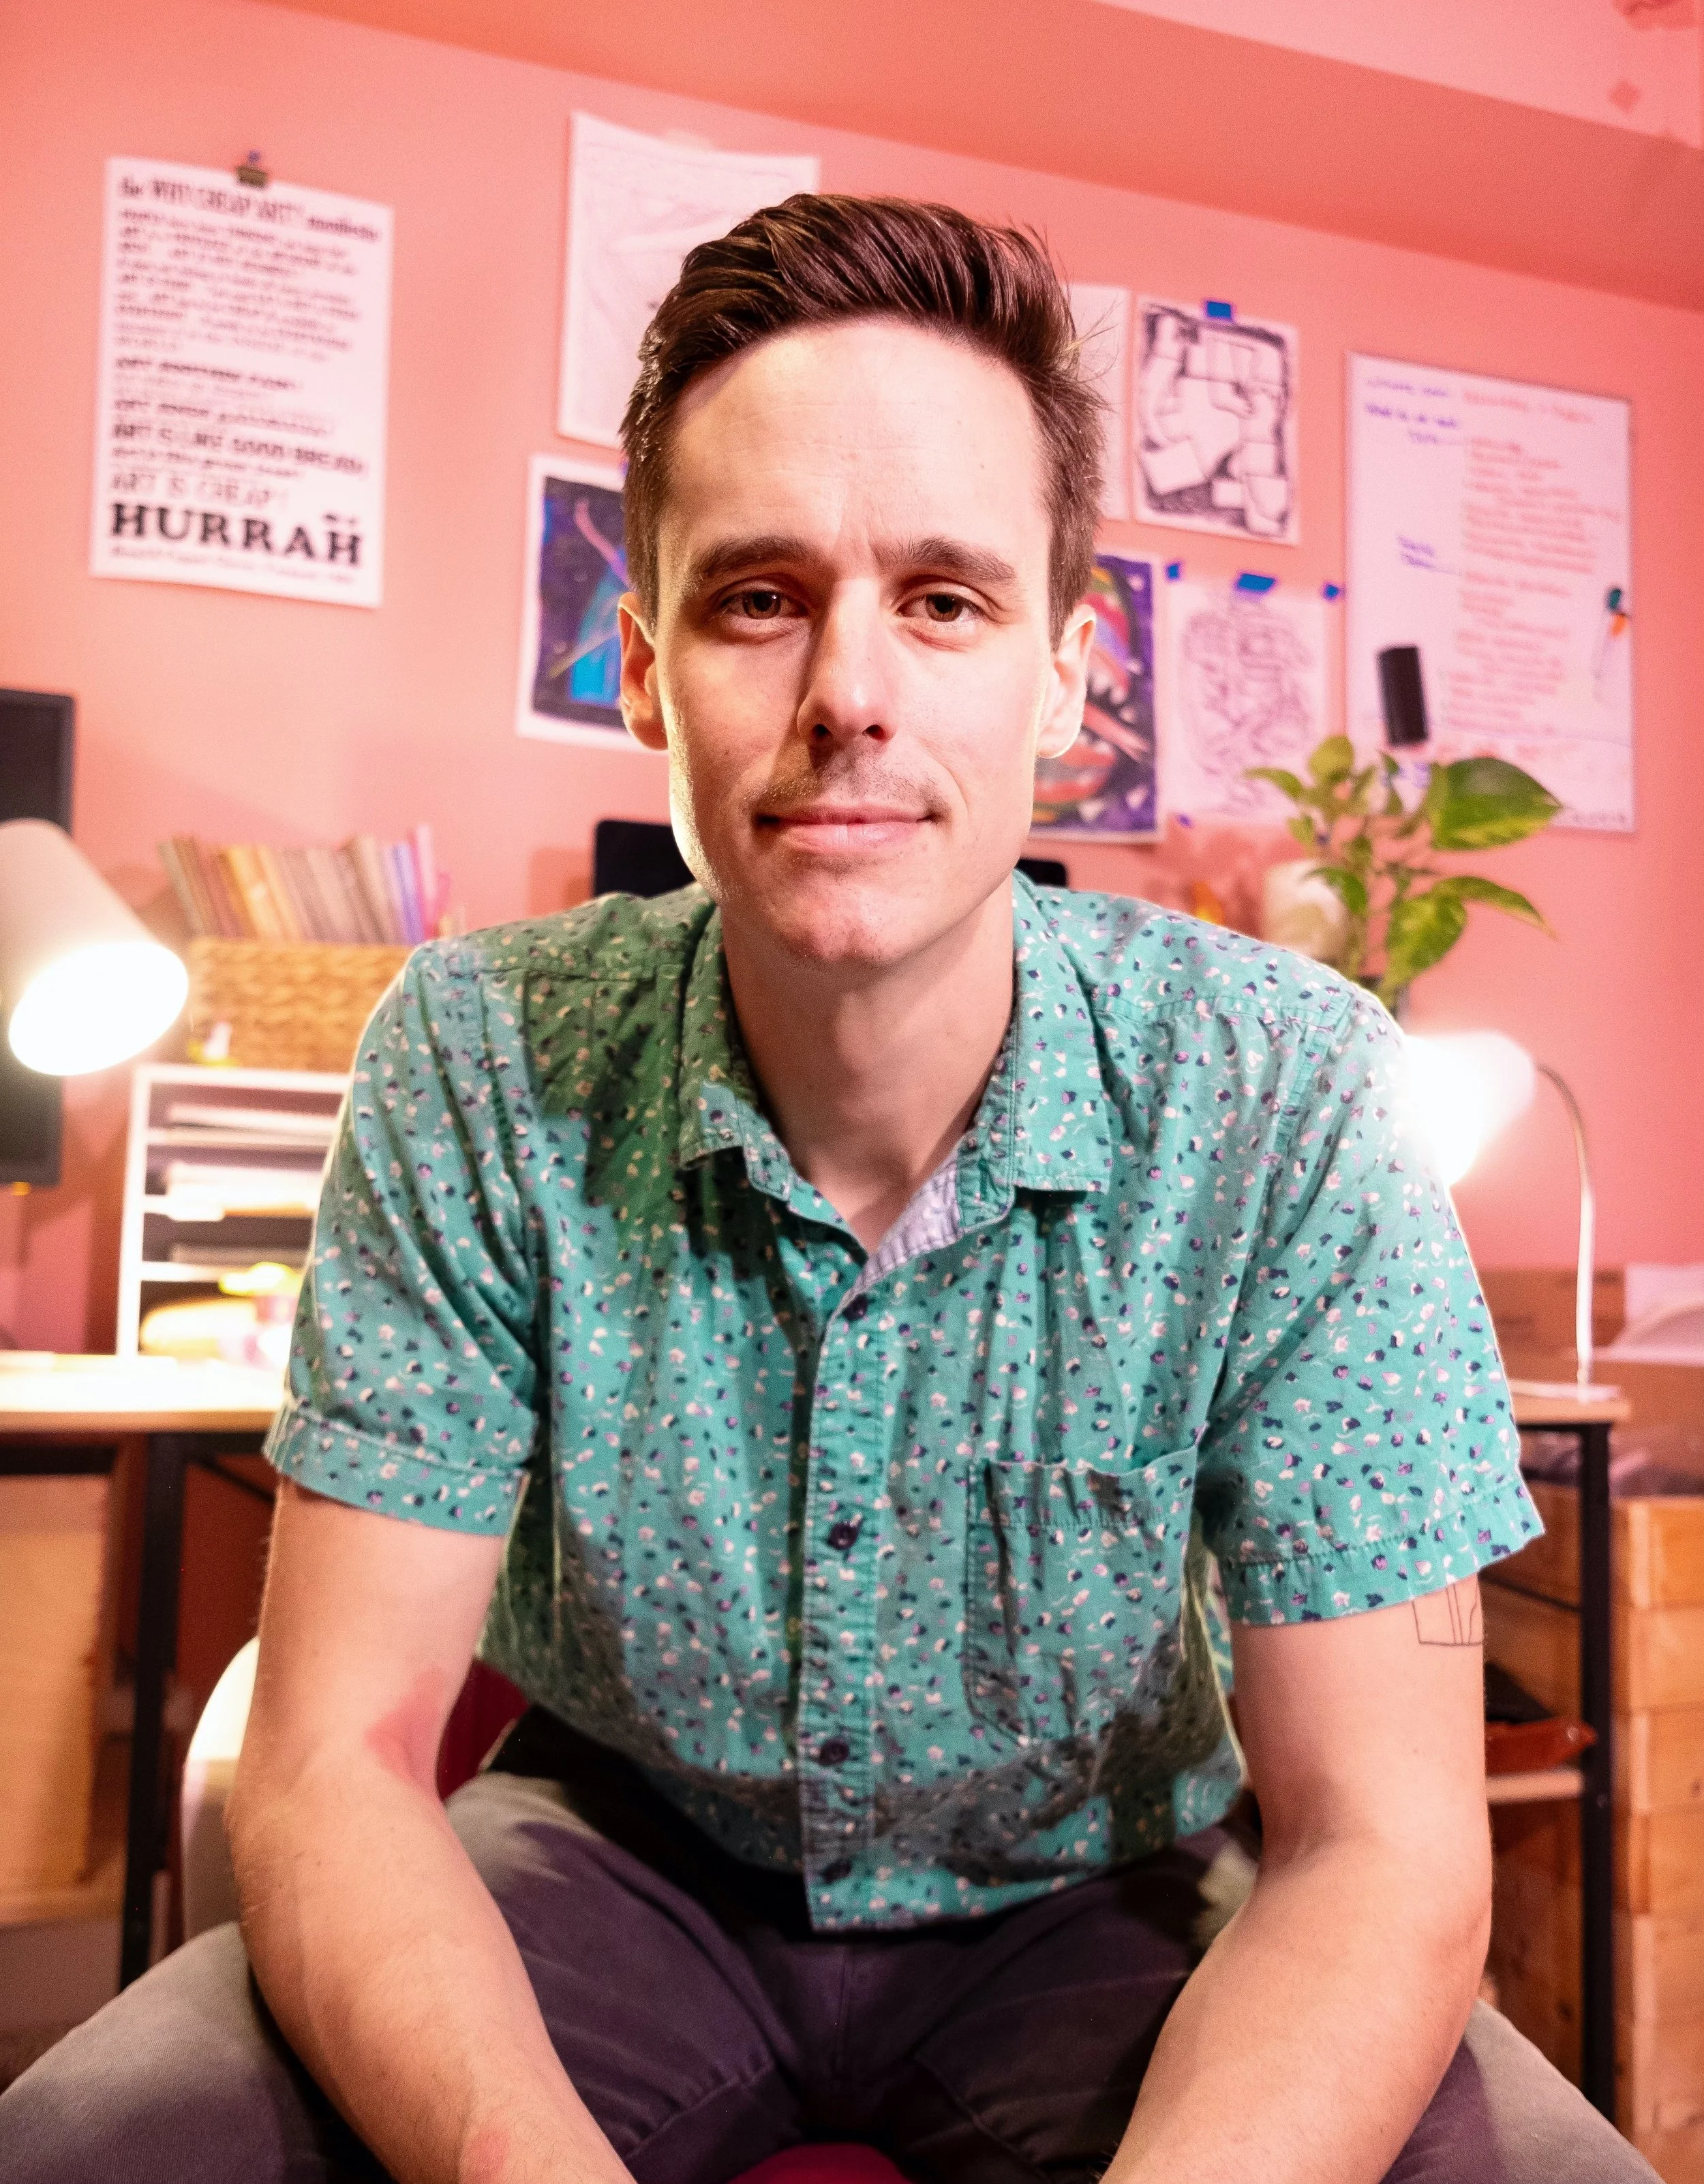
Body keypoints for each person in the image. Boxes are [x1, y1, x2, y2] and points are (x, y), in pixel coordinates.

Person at [0, 194, 1653, 2184]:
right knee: (95, 2135)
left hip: (1108, 1899)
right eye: (758, 594)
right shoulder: (471, 1056)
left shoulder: (1288, 1095)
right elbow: (339, 1751)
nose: (848, 691)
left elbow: (1380, 1841)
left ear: (1064, 677)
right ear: (640, 664)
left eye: (942, 600)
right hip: (625, 1854)